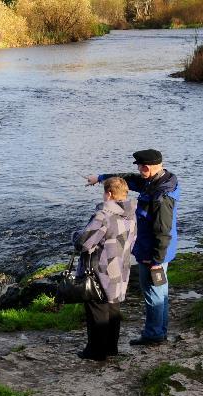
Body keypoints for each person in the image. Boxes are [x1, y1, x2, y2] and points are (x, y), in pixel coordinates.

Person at [85, 149, 180, 346]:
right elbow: (128, 179)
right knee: (160, 291)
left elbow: (163, 230)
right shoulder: (157, 180)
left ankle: (153, 335)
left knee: (153, 294)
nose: (137, 169)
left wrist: (156, 260)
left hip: (152, 253)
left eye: (139, 166)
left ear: (147, 167)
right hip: (157, 251)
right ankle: (159, 331)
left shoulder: (161, 196)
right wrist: (100, 178)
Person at [72, 177, 137, 361]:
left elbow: (83, 243)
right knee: (113, 309)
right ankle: (111, 348)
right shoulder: (131, 214)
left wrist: (74, 235)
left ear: (108, 193)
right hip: (121, 267)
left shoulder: (103, 215)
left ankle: (96, 352)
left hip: (100, 270)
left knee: (97, 310)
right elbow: (132, 241)